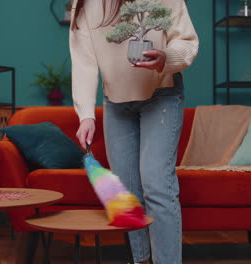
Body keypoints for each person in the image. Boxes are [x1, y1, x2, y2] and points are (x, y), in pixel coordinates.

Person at [69, 0, 198, 263]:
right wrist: (85, 115)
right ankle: (141, 260)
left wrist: (166, 57)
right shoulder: (83, 5)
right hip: (116, 103)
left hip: (161, 94)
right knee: (127, 193)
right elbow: (83, 62)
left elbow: (186, 41)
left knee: (157, 185)